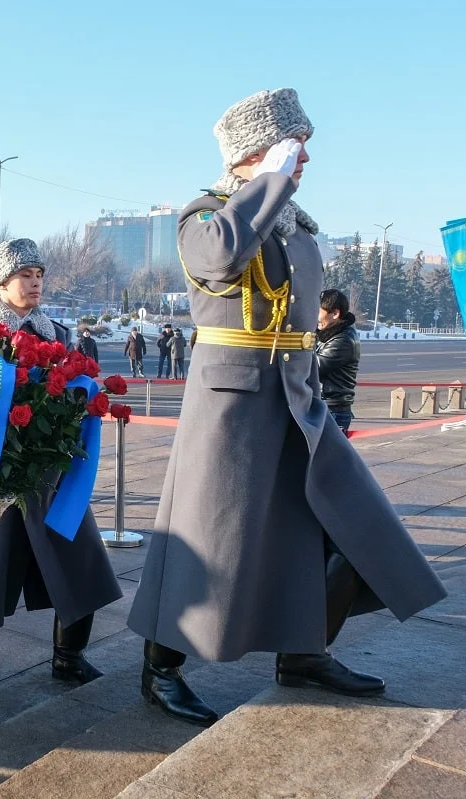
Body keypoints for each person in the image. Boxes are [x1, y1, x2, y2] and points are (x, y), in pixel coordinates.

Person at [126, 88, 446, 727]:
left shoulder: (295, 223)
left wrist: (275, 185)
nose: (303, 161)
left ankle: (303, 652)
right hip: (232, 406)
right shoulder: (203, 216)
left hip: (298, 395)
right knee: (211, 541)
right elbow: (219, 260)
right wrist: (268, 178)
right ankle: (160, 669)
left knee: (348, 521)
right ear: (256, 151)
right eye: (292, 147)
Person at [0, 239, 123, 694]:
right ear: (1, 283)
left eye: (39, 275)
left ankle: (69, 657)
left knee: (78, 562)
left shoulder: (56, 335)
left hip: (48, 472)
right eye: (25, 275)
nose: (35, 283)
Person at [316, 289, 360, 434]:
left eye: (318, 311)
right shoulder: (327, 334)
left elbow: (314, 367)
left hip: (333, 411)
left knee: (324, 456)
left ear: (335, 314)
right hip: (323, 406)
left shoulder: (344, 340)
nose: (314, 317)